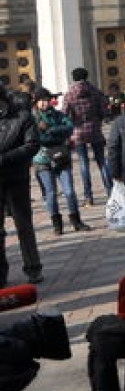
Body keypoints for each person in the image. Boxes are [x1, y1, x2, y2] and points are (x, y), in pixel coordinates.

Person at [0, 81, 42, 285]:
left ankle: (33, 267)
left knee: (23, 225)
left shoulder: (22, 116)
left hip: (15, 177)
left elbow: (32, 144)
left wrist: (6, 158)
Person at [32, 88, 89, 234]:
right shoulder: (32, 119)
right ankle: (57, 223)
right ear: (36, 103)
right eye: (41, 101)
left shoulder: (57, 115)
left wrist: (50, 130)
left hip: (61, 156)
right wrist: (56, 134)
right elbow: (38, 139)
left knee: (69, 191)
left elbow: (69, 127)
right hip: (43, 159)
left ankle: (76, 220)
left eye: (46, 100)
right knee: (51, 193)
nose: (45, 103)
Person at [63, 67, 112, 206]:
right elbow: (104, 110)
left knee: (83, 164)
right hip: (95, 129)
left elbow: (65, 113)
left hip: (78, 132)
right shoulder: (95, 91)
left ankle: (88, 196)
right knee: (102, 161)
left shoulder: (70, 94)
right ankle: (110, 191)